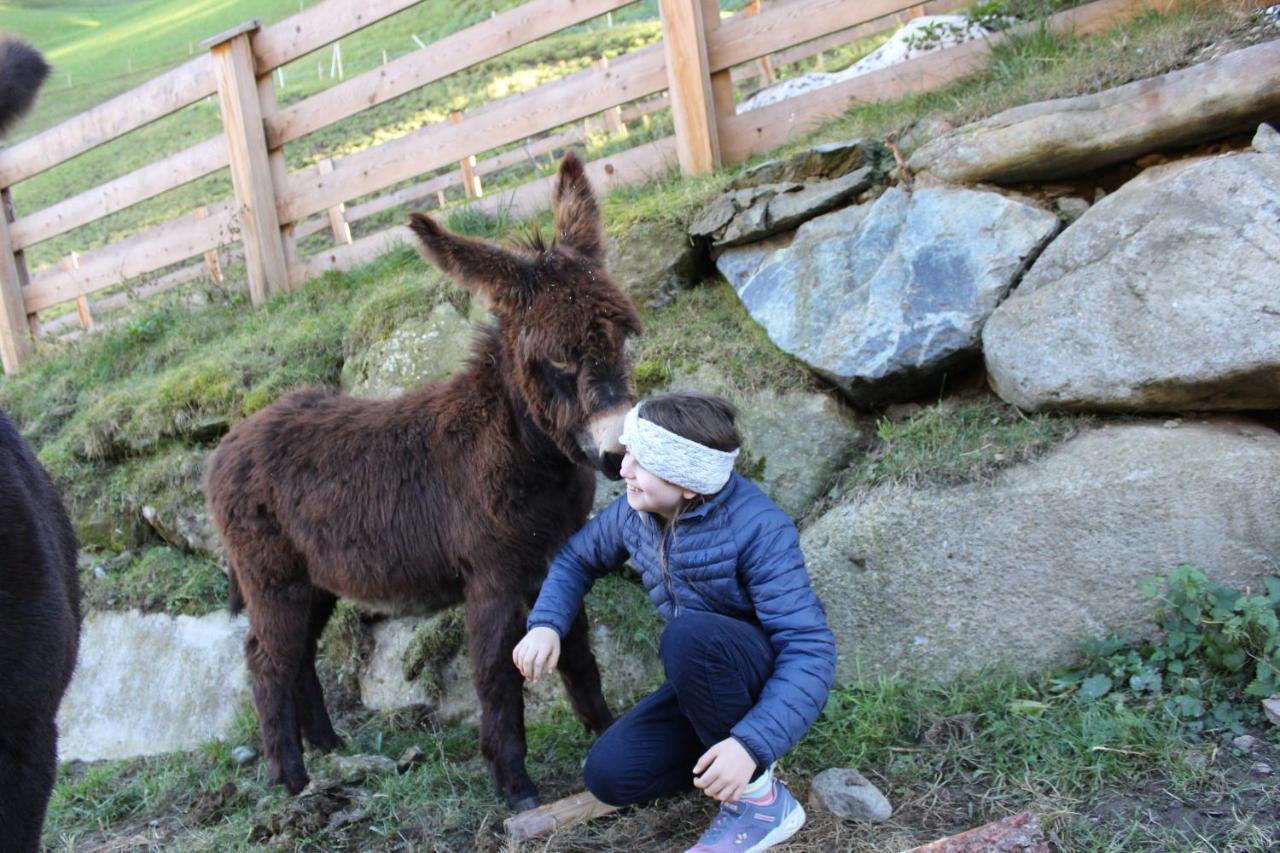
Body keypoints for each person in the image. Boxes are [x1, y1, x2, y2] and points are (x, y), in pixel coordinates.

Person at [513, 391, 837, 853]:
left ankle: (761, 803)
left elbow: (810, 649)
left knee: (689, 635)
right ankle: (722, 763)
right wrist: (546, 622)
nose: (623, 469)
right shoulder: (635, 511)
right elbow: (576, 560)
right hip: (702, 676)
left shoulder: (761, 529)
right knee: (610, 775)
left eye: (640, 463)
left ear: (689, 484)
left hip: (753, 676)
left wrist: (752, 743)